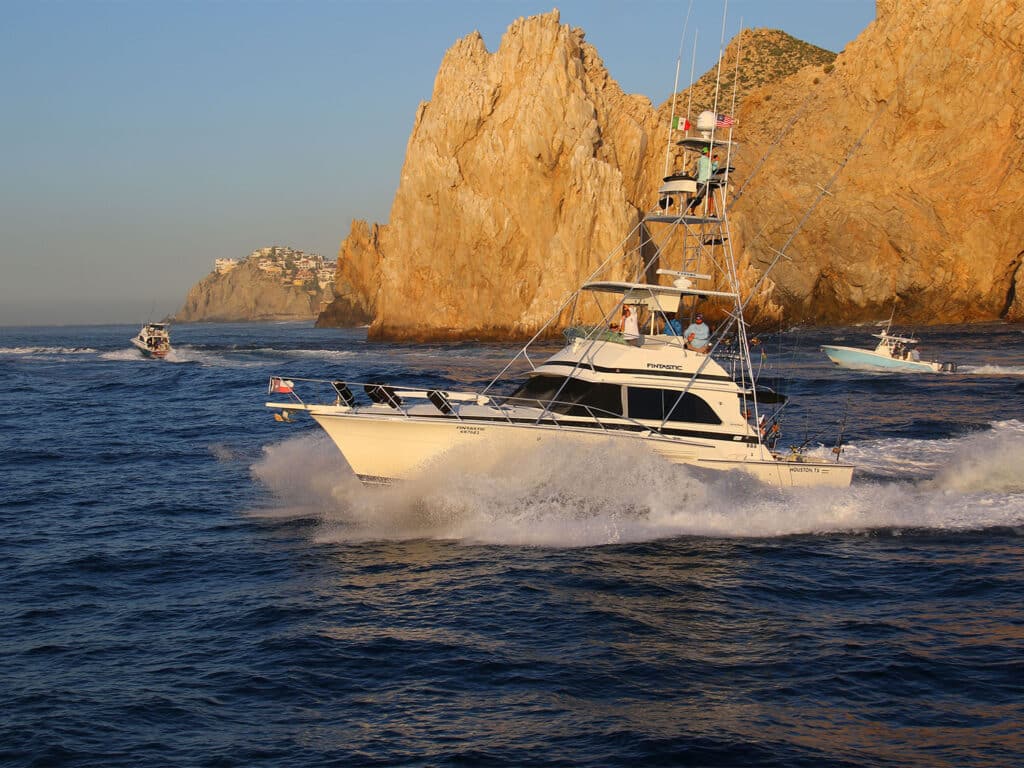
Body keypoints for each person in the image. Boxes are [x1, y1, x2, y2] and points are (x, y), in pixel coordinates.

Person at [687, 147, 714, 216]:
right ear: (707, 153)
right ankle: (710, 213)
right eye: (709, 152)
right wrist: (715, 162)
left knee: (705, 197)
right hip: (704, 181)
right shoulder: (707, 160)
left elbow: (699, 171)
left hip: (704, 181)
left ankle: (692, 212)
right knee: (702, 197)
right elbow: (712, 169)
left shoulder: (700, 160)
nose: (710, 154)